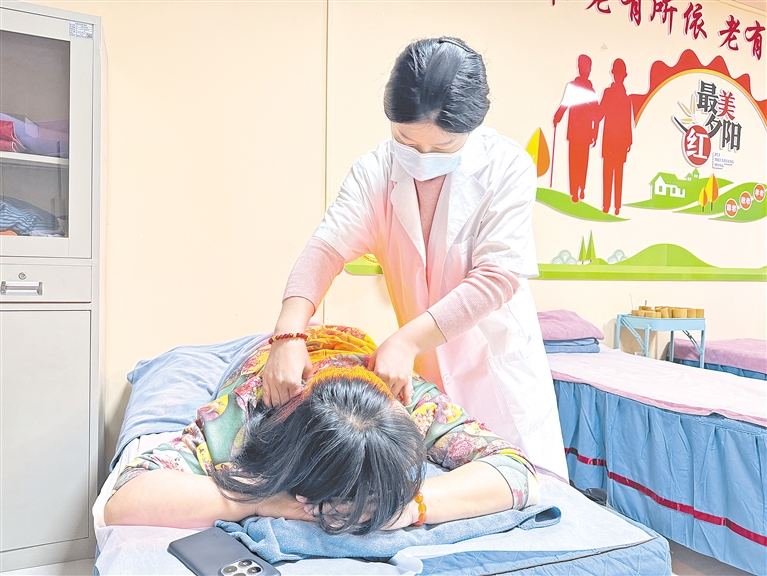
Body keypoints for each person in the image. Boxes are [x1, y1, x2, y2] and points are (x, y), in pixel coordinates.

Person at [263, 36, 568, 479]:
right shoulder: (375, 171)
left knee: (519, 483)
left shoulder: (507, 167)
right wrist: (289, 334)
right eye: (405, 140)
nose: (422, 157)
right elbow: (325, 249)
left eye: (443, 147)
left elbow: (495, 280)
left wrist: (405, 342)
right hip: (427, 378)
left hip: (497, 372)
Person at [103, 326, 539, 534]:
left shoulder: (410, 400)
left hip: (351, 343)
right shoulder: (242, 415)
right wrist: (263, 500)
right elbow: (124, 500)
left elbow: (517, 470)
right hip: (259, 355)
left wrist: (413, 507)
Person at [553, 54, 599, 203]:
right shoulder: (574, 87)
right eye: (585, 67)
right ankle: (575, 190)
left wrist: (595, 133)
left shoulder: (591, 90)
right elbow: (565, 104)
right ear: (579, 68)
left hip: (584, 132)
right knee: (576, 162)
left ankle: (581, 188)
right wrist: (557, 117)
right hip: (577, 132)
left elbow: (596, 114)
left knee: (581, 162)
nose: (586, 70)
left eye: (588, 68)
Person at [596, 58, 634, 216]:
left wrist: (629, 141)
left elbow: (627, 121)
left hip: (617, 142)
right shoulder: (611, 94)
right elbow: (600, 114)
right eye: (618, 73)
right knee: (611, 174)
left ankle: (615, 206)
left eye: (620, 74)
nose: (619, 76)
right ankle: (608, 205)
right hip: (614, 142)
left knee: (616, 175)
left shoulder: (625, 98)